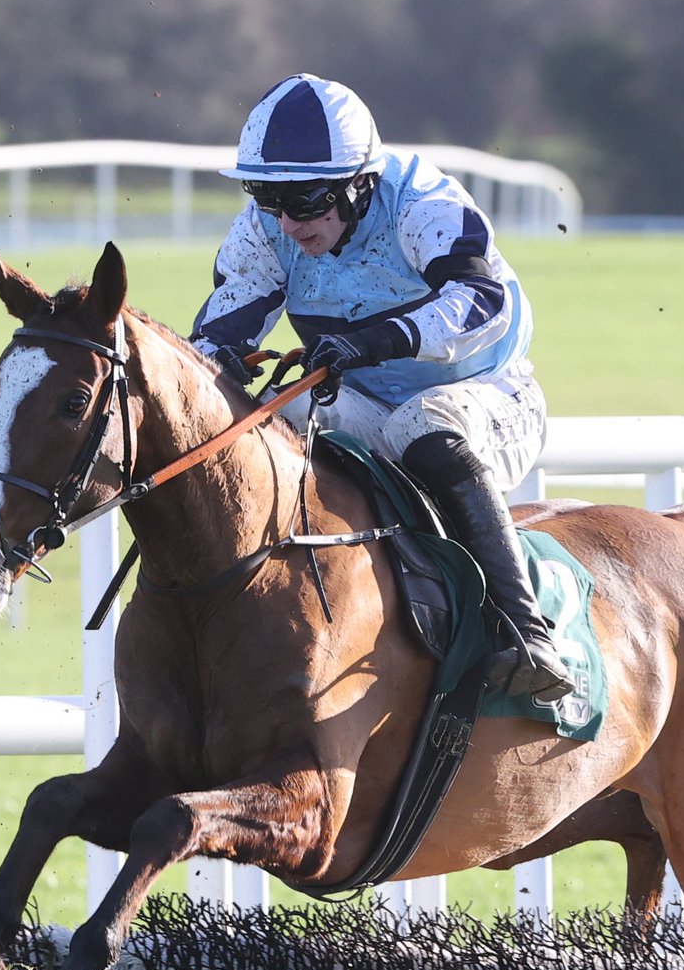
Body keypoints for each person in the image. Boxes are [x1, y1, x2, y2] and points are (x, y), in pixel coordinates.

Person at [189, 73, 573, 704]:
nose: (288, 223)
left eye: (309, 200)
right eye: (267, 196)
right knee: (259, 425)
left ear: (360, 184)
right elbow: (219, 332)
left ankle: (527, 635)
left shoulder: (425, 206)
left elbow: (482, 301)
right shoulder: (266, 229)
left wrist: (377, 339)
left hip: (488, 393)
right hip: (365, 399)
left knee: (420, 429)